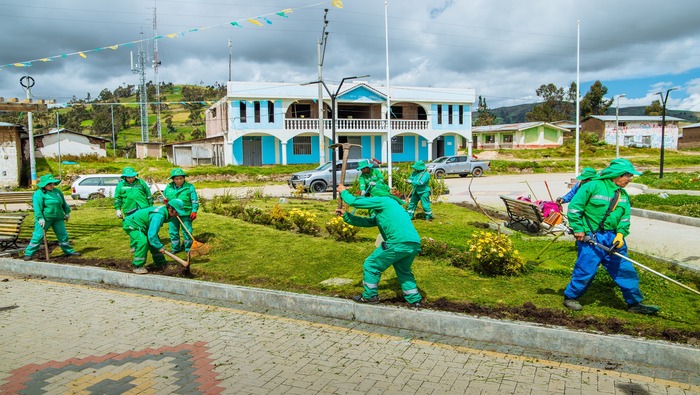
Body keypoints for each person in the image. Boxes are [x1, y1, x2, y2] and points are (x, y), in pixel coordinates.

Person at [563, 158, 659, 315]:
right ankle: (571, 297)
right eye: (628, 175)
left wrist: (620, 235)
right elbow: (575, 208)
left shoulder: (623, 195)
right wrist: (579, 229)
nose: (630, 179)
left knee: (625, 270)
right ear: (617, 174)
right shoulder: (592, 186)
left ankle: (635, 303)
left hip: (613, 239)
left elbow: (624, 218)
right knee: (586, 269)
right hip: (592, 238)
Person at [336, 183, 423, 307]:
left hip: (397, 242)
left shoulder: (382, 200)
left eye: (371, 196)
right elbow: (368, 222)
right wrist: (346, 216)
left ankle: (370, 296)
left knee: (371, 264)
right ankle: (415, 300)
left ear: (375, 194)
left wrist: (343, 191)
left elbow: (354, 201)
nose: (371, 199)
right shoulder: (393, 206)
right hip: (413, 243)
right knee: (404, 270)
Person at [122, 199, 187, 274]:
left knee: (155, 242)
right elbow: (152, 236)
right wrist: (160, 246)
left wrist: (158, 245)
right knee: (143, 242)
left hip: (144, 226)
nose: (178, 214)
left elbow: (153, 236)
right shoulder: (158, 216)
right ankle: (137, 266)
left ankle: (161, 263)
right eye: (177, 212)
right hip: (132, 224)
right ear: (170, 208)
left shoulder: (165, 213)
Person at [23, 174, 80, 260]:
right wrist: (40, 218)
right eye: (49, 184)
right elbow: (37, 208)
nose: (52, 185)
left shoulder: (57, 192)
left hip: (58, 218)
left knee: (63, 235)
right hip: (45, 218)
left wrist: (67, 212)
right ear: (44, 185)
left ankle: (68, 251)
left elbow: (63, 203)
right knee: (38, 236)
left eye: (53, 183)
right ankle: (29, 253)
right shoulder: (39, 194)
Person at [163, 168, 199, 254]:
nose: (179, 181)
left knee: (187, 231)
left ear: (184, 178)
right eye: (176, 179)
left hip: (186, 213)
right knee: (173, 231)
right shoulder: (169, 187)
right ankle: (175, 248)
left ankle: (188, 249)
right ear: (173, 179)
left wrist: (194, 210)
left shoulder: (189, 187)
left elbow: (194, 200)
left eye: (181, 178)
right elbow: (164, 197)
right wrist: (164, 201)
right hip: (172, 213)